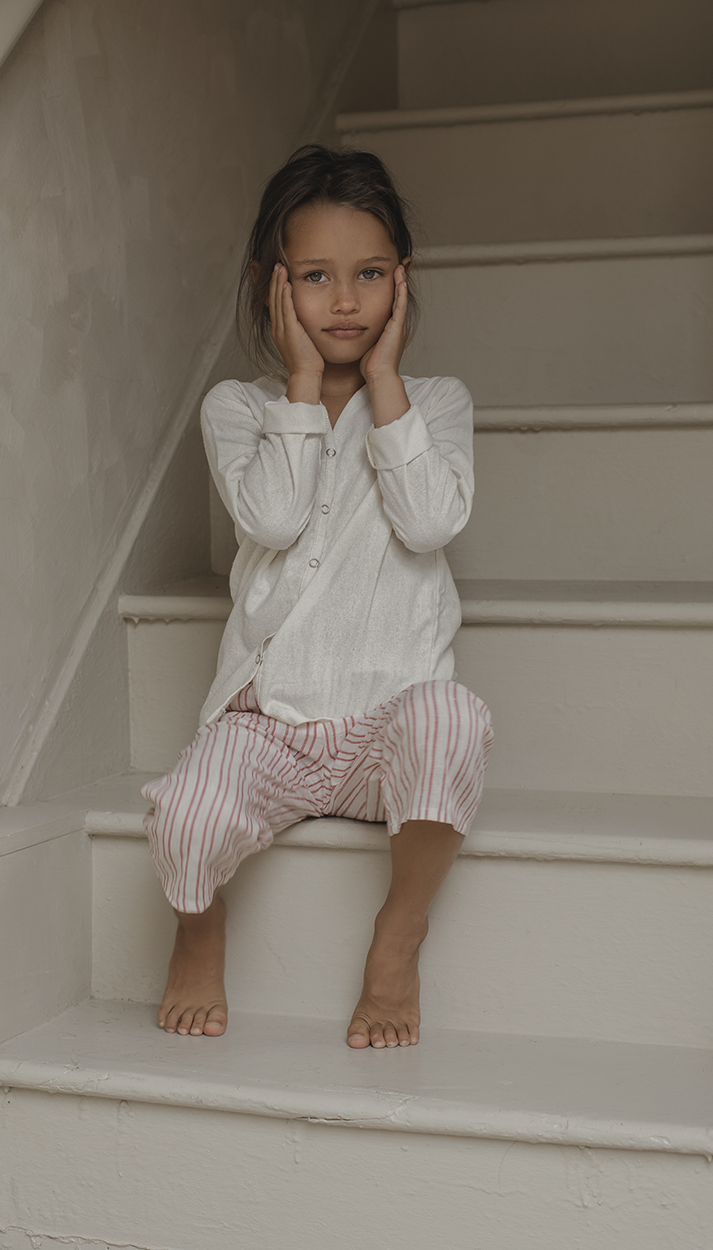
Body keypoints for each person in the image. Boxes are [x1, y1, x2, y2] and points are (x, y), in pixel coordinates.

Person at [143, 144, 493, 1049]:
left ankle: (397, 936)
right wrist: (304, 386)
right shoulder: (238, 409)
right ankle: (199, 927)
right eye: (318, 277)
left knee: (452, 722)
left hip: (383, 730)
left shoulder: (437, 402)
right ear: (277, 288)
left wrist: (384, 385)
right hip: (271, 722)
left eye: (370, 274)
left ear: (401, 284)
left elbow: (429, 523)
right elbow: (273, 514)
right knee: (182, 814)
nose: (345, 301)